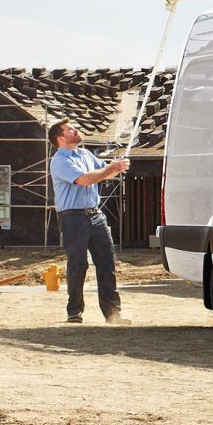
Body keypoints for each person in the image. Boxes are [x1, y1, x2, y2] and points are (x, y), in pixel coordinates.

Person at [47, 118, 131, 325]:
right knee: (78, 265)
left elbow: (103, 172)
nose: (76, 131)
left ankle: (113, 313)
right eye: (71, 130)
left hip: (95, 215)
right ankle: (74, 311)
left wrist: (116, 167)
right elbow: (85, 180)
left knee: (107, 263)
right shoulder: (59, 161)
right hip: (72, 218)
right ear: (60, 138)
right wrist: (111, 168)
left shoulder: (85, 154)